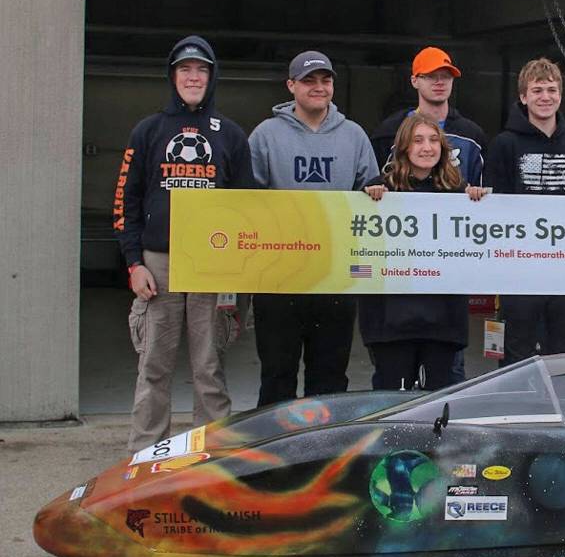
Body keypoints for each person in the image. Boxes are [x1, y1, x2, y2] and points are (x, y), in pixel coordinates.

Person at [113, 35, 254, 452]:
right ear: (172, 76)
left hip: (212, 264)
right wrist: (135, 263)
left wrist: (237, 270)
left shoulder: (230, 135)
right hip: (160, 263)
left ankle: (212, 455)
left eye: (202, 70)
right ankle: (143, 455)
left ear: (212, 77)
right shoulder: (147, 130)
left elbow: (247, 207)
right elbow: (126, 201)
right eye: (185, 70)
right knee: (153, 365)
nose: (193, 77)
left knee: (209, 366)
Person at [248, 50, 379, 407]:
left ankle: (322, 455)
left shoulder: (354, 136)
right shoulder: (265, 136)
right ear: (291, 86)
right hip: (279, 278)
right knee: (277, 374)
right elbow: (247, 201)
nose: (319, 87)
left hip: (335, 276)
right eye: (309, 80)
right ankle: (276, 456)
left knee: (331, 376)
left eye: (326, 80)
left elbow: (372, 192)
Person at [370, 46, 486, 383]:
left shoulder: (462, 176)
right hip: (393, 316)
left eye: (445, 76)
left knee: (445, 394)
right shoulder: (383, 161)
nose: (426, 147)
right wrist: (371, 191)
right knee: (390, 400)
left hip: (445, 316)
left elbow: (481, 225)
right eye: (418, 140)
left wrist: (476, 198)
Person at [485, 57, 565, 365]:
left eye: (551, 90)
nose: (545, 97)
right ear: (523, 96)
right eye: (537, 90)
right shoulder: (503, 145)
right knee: (517, 357)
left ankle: (562, 412)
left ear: (561, 95)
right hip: (519, 271)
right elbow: (493, 212)